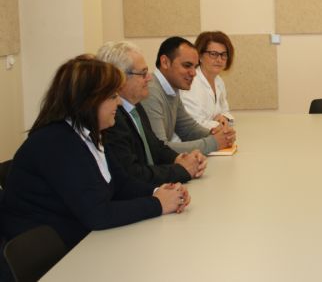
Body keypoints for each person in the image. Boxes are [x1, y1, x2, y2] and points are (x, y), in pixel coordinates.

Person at [0, 56, 190, 252]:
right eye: (113, 96)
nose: (119, 103)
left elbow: (121, 184)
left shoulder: (91, 133)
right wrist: (157, 204)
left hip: (79, 241)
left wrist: (159, 192)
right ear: (89, 101)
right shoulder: (56, 142)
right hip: (49, 254)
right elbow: (98, 214)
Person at [97, 41, 207, 184]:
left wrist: (180, 158)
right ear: (120, 78)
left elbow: (156, 147)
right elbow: (132, 174)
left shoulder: (135, 106)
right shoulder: (112, 119)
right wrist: (182, 170)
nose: (149, 78)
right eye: (143, 73)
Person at [141, 36, 236, 154]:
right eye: (187, 65)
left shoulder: (172, 88)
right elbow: (160, 149)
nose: (193, 73)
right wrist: (214, 142)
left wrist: (216, 134)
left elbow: (188, 129)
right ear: (165, 62)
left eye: (194, 67)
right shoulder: (150, 92)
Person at [180, 31, 235, 131]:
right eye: (213, 54)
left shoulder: (218, 81)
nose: (219, 60)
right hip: (193, 139)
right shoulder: (190, 84)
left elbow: (225, 111)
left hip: (213, 136)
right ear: (200, 56)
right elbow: (194, 125)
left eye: (223, 54)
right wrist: (219, 123)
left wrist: (224, 118)